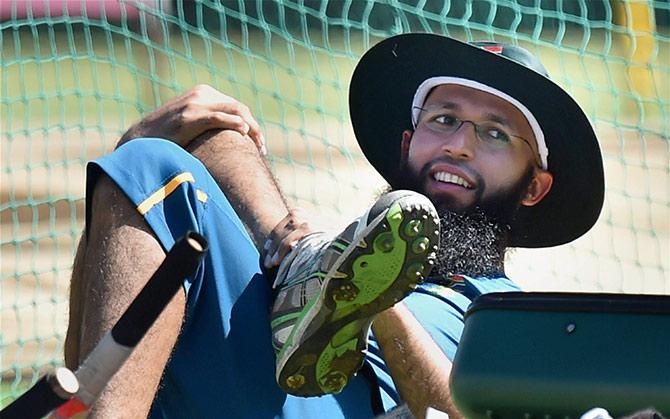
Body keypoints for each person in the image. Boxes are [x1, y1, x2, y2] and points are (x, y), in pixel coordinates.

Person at [64, 33, 604, 418]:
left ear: (534, 186)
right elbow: (84, 372)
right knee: (166, 154)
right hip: (247, 371)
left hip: (335, 405)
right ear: (406, 145)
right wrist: (125, 162)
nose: (458, 143)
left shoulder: (518, 318)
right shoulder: (288, 280)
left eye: (494, 135)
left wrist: (375, 299)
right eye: (443, 120)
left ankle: (312, 269)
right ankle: (301, 252)